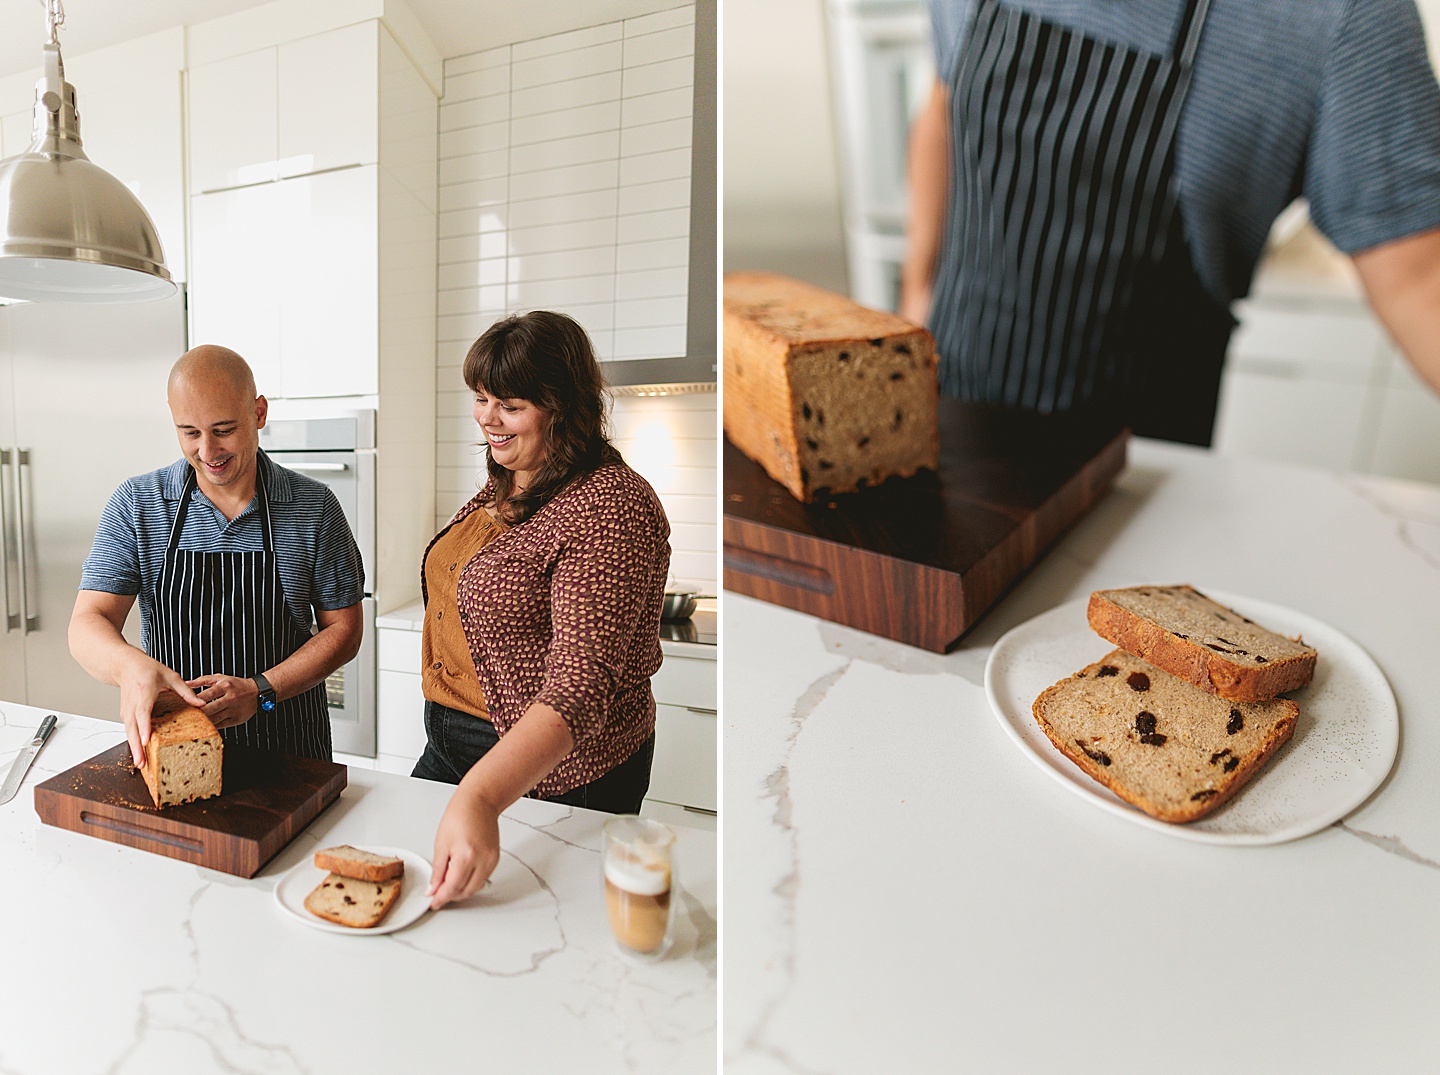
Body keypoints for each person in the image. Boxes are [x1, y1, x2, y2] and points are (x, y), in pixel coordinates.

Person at [901, 0, 1440, 446]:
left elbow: (1421, 280)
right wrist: (917, 294)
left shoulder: (1344, 18)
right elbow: (944, 108)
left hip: (1144, 478)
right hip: (948, 423)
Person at [412, 310, 670, 910]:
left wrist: (478, 797)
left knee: (541, 936)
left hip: (561, 773)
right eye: (480, 398)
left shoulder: (612, 506)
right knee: (430, 906)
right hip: (454, 742)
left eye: (510, 404)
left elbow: (578, 689)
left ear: (563, 405)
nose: (487, 419)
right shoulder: (517, 475)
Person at [69, 345, 365, 766]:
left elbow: (345, 630)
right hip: (176, 753)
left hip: (290, 752)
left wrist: (261, 690)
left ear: (259, 413)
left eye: (223, 429)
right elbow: (87, 623)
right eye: (190, 433)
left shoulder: (312, 506)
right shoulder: (138, 504)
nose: (208, 452)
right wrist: (129, 668)